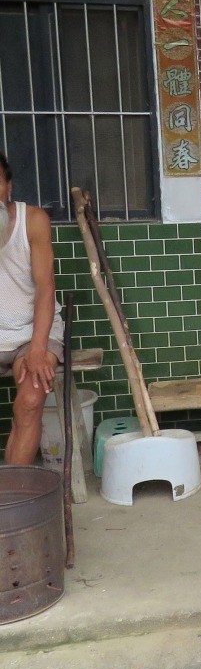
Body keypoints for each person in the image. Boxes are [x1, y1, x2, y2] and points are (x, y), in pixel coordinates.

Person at [0, 152, 65, 466]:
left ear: (8, 186)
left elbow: (45, 287)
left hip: (32, 331)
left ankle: (13, 499)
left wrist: (39, 348)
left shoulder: (34, 220)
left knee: (30, 399)